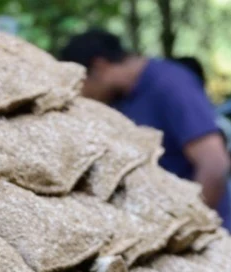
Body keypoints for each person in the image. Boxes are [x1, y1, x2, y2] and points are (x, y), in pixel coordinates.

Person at [62, 28, 231, 226]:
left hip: (209, 236)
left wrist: (189, 227)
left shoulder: (171, 85)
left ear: (99, 67)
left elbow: (214, 164)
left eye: (82, 84)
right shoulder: (121, 97)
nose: (83, 94)